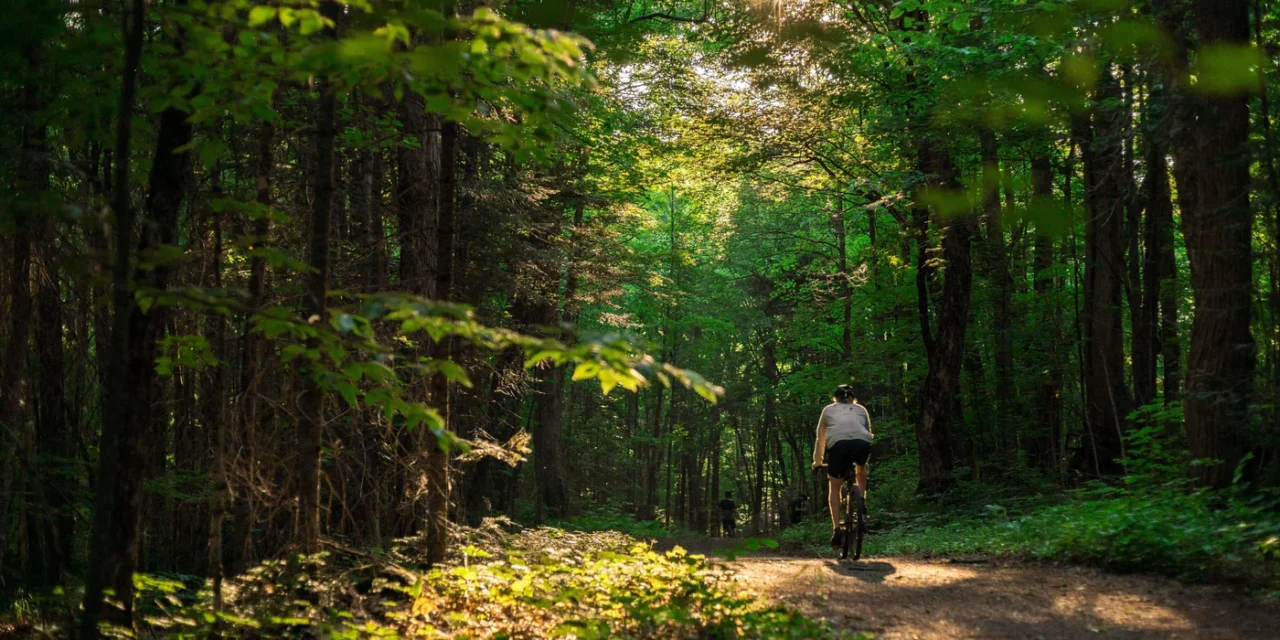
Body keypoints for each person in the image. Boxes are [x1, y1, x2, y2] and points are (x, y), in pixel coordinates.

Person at [811, 384, 873, 548]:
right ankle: (861, 502)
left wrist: (818, 462)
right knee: (861, 468)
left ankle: (837, 529)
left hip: (838, 446)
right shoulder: (861, 409)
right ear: (853, 398)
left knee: (835, 487)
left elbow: (821, 439)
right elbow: (866, 432)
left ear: (835, 398)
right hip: (862, 443)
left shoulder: (828, 410)